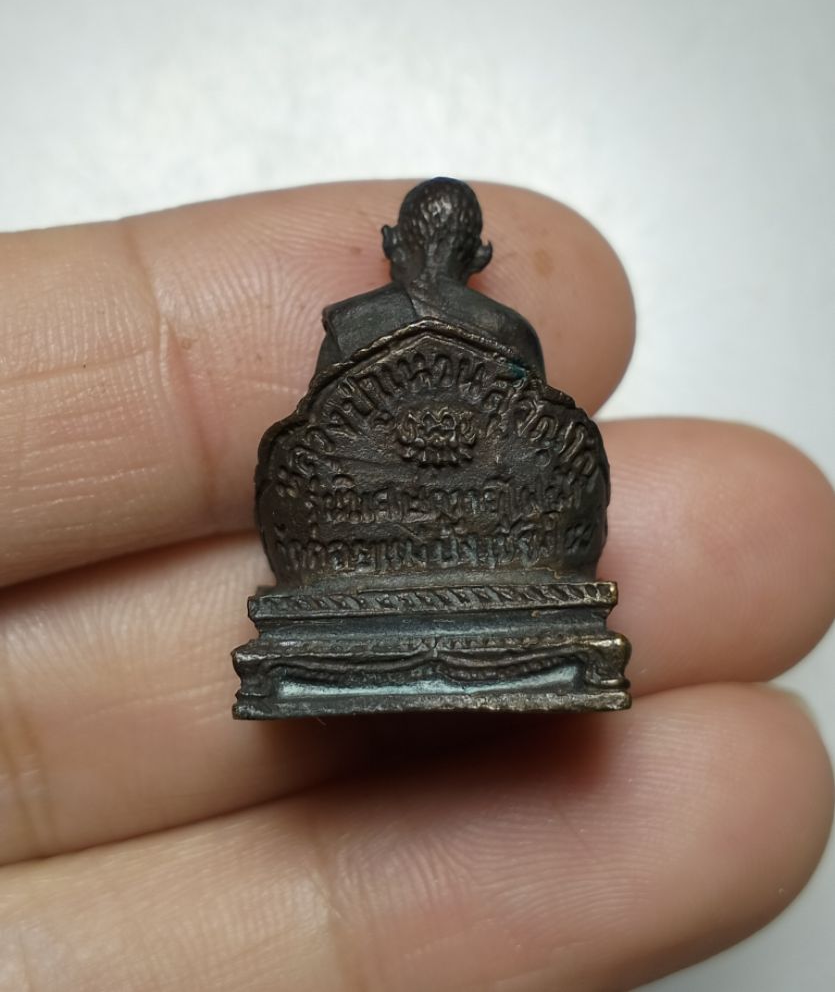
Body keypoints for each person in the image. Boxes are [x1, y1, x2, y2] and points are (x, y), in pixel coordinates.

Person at [0, 180, 832, 991]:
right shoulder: (505, 328)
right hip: (495, 559)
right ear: (480, 254)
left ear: (394, 246)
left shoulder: (352, 325)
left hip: (363, 558)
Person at [316, 177, 545, 375]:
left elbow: (318, 412)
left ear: (392, 241)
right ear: (480, 256)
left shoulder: (347, 326)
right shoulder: (513, 334)